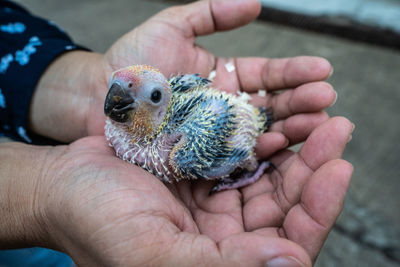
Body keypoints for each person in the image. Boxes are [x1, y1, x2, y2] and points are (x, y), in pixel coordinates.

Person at [0, 0, 354, 266]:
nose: (119, 101)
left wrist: (244, 167)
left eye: (151, 96)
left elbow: (217, 117)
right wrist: (41, 190)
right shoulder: (126, 124)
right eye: (116, 87)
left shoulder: (182, 148)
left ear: (163, 99)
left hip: (237, 122)